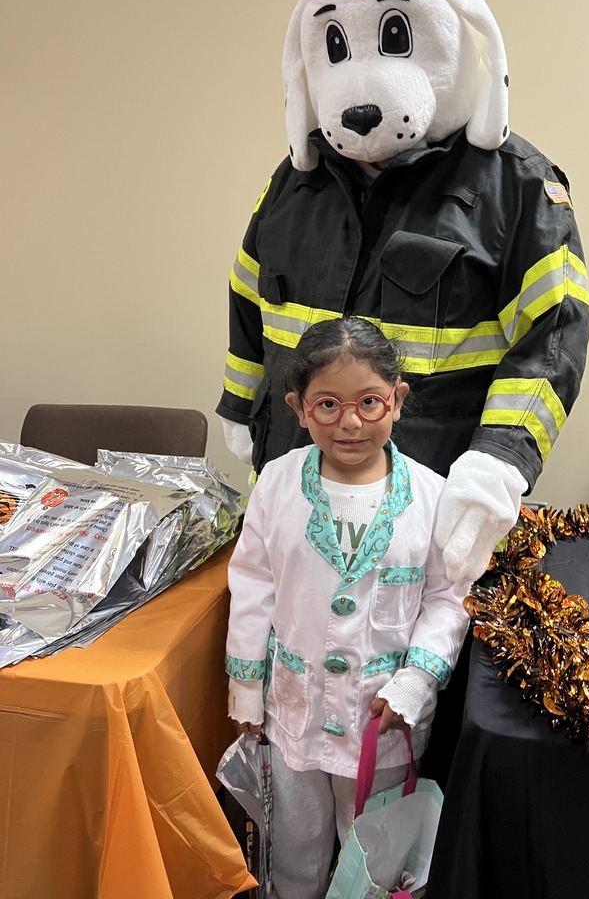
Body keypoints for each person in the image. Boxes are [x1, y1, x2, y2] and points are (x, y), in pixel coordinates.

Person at [217, 0, 589, 589]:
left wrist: (498, 466)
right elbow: (248, 298)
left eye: (394, 33)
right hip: (297, 507)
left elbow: (553, 337)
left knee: (411, 693)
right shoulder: (294, 184)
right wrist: (242, 409)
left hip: (428, 525)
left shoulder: (516, 188)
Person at [225, 316, 470, 899]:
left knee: (372, 854)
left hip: (380, 721)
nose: (351, 422)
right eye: (328, 405)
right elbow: (253, 586)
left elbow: (447, 596)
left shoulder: (432, 497)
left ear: (398, 400)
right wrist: (245, 690)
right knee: (294, 844)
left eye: (369, 402)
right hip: (294, 710)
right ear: (298, 407)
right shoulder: (278, 484)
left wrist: (415, 684)